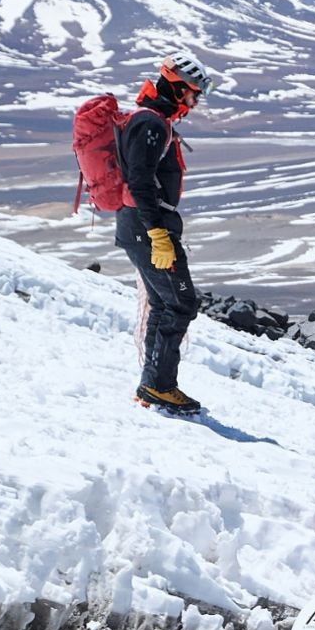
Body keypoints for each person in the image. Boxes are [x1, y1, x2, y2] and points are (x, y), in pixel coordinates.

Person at [119, 50, 214, 415]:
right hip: (147, 228)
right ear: (177, 88)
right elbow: (139, 181)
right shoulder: (152, 124)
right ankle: (160, 386)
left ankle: (153, 385)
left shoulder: (155, 121)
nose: (195, 101)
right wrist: (157, 233)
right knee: (181, 302)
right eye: (193, 92)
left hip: (141, 225)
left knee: (164, 302)